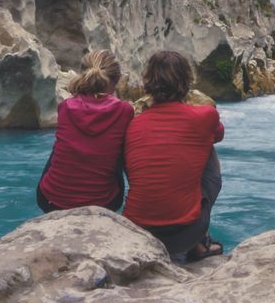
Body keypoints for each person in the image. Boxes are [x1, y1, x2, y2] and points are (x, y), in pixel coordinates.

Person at [123, 50, 225, 261]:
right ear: (187, 81)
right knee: (207, 147)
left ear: (149, 82)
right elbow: (219, 134)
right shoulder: (205, 115)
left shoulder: (134, 124)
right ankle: (201, 242)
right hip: (183, 235)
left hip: (136, 229)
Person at [36, 49, 134, 213]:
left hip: (50, 201)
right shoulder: (125, 111)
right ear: (116, 80)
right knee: (118, 148)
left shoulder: (66, 107)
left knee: (59, 148)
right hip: (103, 203)